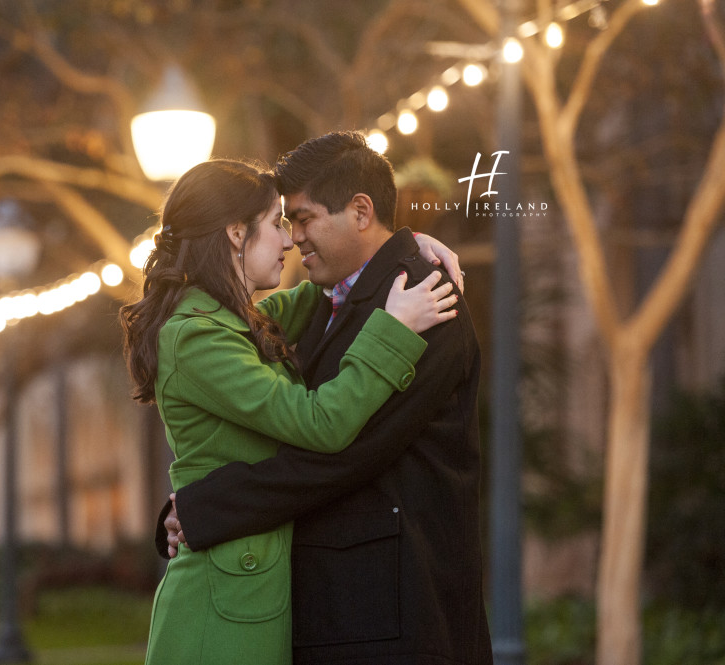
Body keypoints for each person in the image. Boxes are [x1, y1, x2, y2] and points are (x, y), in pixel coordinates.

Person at [162, 131, 493, 665]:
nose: (294, 239)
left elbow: (345, 455)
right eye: (283, 223)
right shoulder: (322, 301)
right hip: (335, 617)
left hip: (399, 623)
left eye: (303, 219)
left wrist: (205, 507)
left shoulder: (423, 301)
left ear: (360, 212)